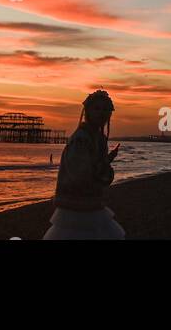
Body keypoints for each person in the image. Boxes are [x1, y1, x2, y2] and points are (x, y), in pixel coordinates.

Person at [43, 89, 125, 239]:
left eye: (106, 109)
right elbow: (81, 175)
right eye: (97, 108)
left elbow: (92, 169)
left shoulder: (98, 138)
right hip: (77, 204)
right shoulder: (81, 138)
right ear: (88, 111)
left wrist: (105, 162)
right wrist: (105, 166)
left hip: (91, 201)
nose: (102, 113)